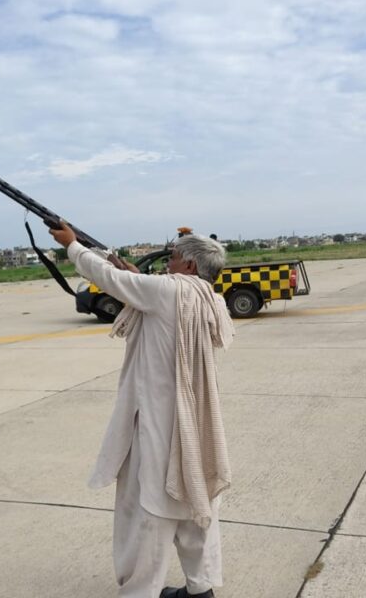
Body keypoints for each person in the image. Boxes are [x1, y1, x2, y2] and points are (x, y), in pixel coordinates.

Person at [49, 221, 235, 598]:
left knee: (147, 515)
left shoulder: (167, 292)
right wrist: (136, 278)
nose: (169, 262)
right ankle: (201, 590)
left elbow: (106, 277)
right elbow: (146, 292)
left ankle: (140, 592)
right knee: (196, 508)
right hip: (195, 427)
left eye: (175, 257)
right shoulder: (209, 297)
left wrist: (72, 246)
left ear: (191, 266)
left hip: (157, 425)